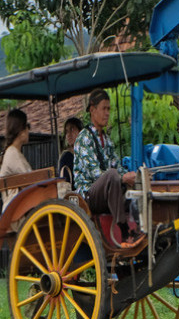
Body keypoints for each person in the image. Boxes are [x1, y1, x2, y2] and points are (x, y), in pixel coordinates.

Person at [73, 88, 143, 249]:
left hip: (108, 192)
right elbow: (96, 174)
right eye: (104, 108)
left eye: (109, 109)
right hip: (89, 195)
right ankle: (124, 231)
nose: (107, 113)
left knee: (134, 182)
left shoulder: (107, 140)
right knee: (113, 176)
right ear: (92, 110)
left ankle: (142, 226)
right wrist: (122, 178)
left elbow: (117, 167)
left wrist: (133, 177)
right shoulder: (83, 138)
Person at [0, 108, 32, 212]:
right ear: (21, 131)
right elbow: (31, 181)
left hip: (19, 207)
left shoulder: (13, 152)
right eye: (27, 127)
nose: (28, 131)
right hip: (17, 211)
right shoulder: (13, 154)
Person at [58, 116, 83, 188]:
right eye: (66, 131)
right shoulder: (66, 156)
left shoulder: (86, 153)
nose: (69, 134)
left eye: (72, 129)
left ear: (80, 131)